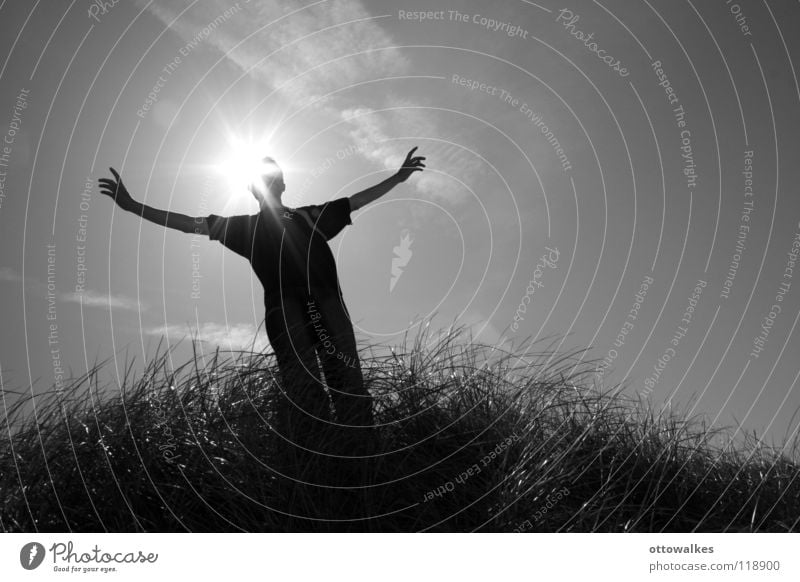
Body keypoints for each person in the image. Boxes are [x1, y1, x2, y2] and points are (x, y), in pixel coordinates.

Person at [97, 147, 426, 459]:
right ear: (252, 188)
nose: (268, 181)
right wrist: (133, 205)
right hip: (286, 313)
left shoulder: (311, 216)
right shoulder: (243, 228)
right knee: (305, 394)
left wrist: (398, 178)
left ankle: (366, 464)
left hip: (327, 304)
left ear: (283, 184)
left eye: (273, 176)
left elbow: (356, 201)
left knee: (349, 388)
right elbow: (188, 223)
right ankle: (322, 469)